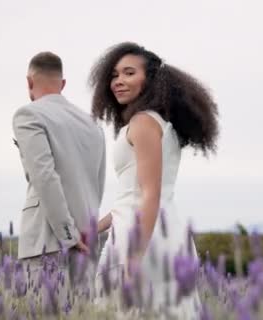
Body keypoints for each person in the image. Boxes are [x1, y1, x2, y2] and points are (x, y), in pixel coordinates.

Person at [90, 42, 219, 318]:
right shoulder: (161, 124)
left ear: (150, 80)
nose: (118, 81)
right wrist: (95, 229)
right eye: (114, 75)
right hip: (159, 233)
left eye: (129, 73)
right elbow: (133, 195)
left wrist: (133, 259)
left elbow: (150, 194)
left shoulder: (143, 123)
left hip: (140, 240)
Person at [12, 51, 106, 298]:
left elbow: (44, 177)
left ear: (29, 82)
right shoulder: (92, 123)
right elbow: (97, 184)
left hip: (48, 241)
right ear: (62, 84)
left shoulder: (28, 115)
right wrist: (84, 234)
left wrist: (68, 235)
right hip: (87, 244)